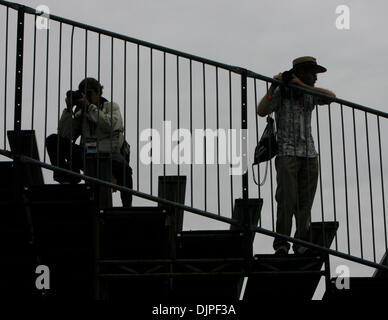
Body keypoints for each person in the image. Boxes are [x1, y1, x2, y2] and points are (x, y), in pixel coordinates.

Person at [257, 56, 336, 255]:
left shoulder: (310, 93)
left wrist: (301, 85)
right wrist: (273, 87)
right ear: (301, 72)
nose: (315, 78)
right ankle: (282, 243)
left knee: (305, 202)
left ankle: (301, 241)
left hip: (309, 154)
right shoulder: (281, 93)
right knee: (286, 199)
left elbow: (331, 97)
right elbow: (262, 110)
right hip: (286, 153)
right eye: (312, 73)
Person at [46, 77, 133, 207]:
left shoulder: (110, 107)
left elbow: (110, 125)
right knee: (53, 140)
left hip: (108, 153)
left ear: (98, 92)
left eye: (89, 93)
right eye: (83, 93)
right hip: (87, 152)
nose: (86, 96)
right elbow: (65, 135)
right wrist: (69, 110)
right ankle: (68, 176)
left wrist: (90, 108)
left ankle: (127, 206)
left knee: (125, 170)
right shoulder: (81, 112)